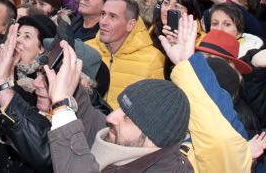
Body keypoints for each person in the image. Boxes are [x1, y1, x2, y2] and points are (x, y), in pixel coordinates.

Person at [45, 43, 193, 172]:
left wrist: (61, 109)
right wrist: (73, 87)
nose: (111, 117)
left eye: (127, 117)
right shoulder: (131, 146)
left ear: (153, 139)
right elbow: (91, 123)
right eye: (120, 109)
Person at [87, 0, 165, 109]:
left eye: (112, 16)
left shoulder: (152, 59)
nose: (103, 21)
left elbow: (156, 109)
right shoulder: (87, 49)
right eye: (103, 14)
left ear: (130, 25)